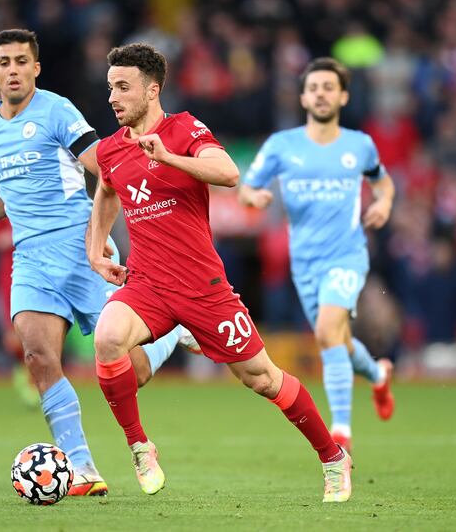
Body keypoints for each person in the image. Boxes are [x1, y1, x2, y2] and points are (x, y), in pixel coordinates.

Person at [88, 43, 353, 503]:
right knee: (107, 338)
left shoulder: (184, 128)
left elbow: (229, 173)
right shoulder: (111, 150)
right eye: (110, 86)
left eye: (123, 87)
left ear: (152, 91)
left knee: (263, 379)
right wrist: (95, 250)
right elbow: (107, 190)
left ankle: (333, 459)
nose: (113, 97)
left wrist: (166, 157)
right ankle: (140, 446)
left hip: (202, 288)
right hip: (147, 284)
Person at [0, 29, 198, 498]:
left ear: (35, 68)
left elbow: (105, 168)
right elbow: (16, 188)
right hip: (29, 257)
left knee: (134, 371)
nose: (12, 69)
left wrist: (118, 228)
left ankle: (172, 333)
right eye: (3, 61)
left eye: (21, 61)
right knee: (38, 357)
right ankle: (84, 468)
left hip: (79, 246)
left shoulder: (57, 110)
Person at [238, 57, 396, 454]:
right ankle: (377, 374)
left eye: (329, 87)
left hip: (347, 256)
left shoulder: (359, 145)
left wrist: (384, 203)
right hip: (304, 263)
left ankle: (340, 432)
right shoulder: (281, 145)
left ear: (342, 96)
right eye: (313, 88)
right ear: (303, 97)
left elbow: (384, 183)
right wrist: (253, 196)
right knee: (336, 342)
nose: (321, 94)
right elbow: (244, 187)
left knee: (327, 332)